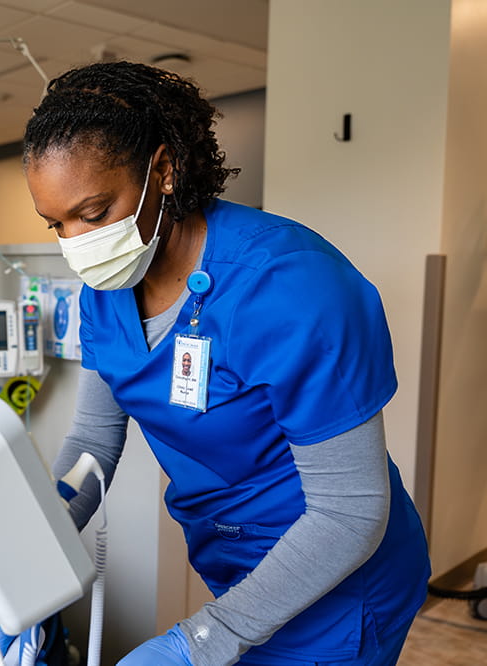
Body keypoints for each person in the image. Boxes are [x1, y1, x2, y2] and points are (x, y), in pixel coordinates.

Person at [22, 62, 430, 666]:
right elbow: (91, 442)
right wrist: (34, 550)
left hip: (338, 582)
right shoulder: (105, 291)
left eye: (95, 212)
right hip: (236, 564)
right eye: (57, 224)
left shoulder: (291, 287)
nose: (77, 243)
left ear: (162, 170)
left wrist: (200, 642)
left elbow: (351, 511)